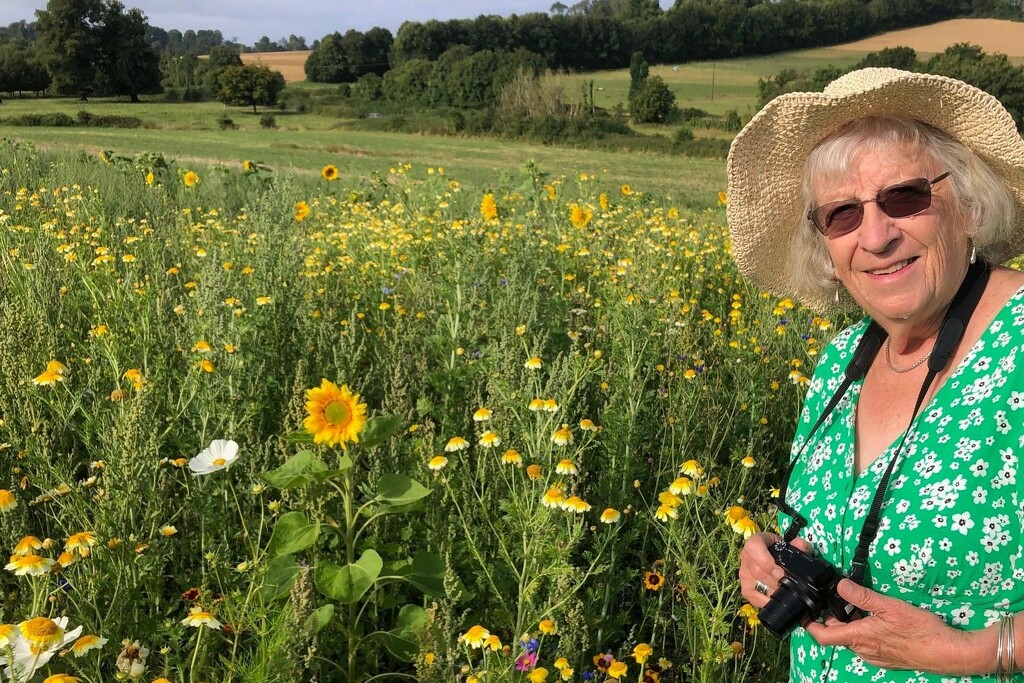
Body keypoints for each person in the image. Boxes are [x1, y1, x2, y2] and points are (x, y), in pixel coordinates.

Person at [728, 67, 1024, 683]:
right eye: (842, 215)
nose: (877, 235)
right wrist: (775, 561)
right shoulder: (842, 362)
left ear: (968, 205)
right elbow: (830, 527)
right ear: (826, 250)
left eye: (905, 198)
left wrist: (975, 652)